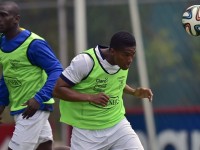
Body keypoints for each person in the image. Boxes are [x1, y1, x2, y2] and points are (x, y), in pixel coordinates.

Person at [53, 31, 153, 150]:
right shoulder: (86, 62)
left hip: (117, 125)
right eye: (126, 55)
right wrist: (91, 97)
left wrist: (133, 92)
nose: (130, 59)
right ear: (112, 51)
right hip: (87, 130)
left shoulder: (122, 62)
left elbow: (114, 81)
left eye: (133, 55)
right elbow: (57, 89)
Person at [0, 1, 63, 150]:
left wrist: (39, 98)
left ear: (16, 18)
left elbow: (57, 70)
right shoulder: (2, 42)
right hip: (21, 106)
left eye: (3, 16)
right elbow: (8, 75)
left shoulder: (34, 44)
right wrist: (1, 103)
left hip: (33, 107)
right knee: (45, 146)